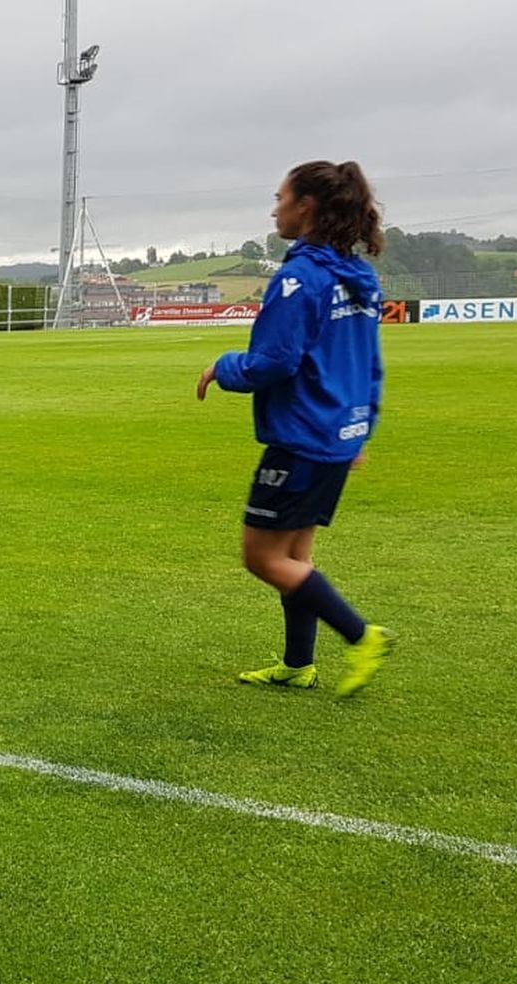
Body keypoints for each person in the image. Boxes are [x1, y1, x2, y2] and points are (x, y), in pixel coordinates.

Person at [196, 161, 394, 697]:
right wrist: (361, 430)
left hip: (303, 437)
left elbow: (273, 362)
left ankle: (361, 635)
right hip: (337, 433)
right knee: (296, 558)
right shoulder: (358, 279)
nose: (275, 208)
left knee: (261, 558)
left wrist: (223, 367)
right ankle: (298, 664)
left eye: (280, 198)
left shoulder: (298, 278)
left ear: (305, 207)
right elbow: (369, 364)